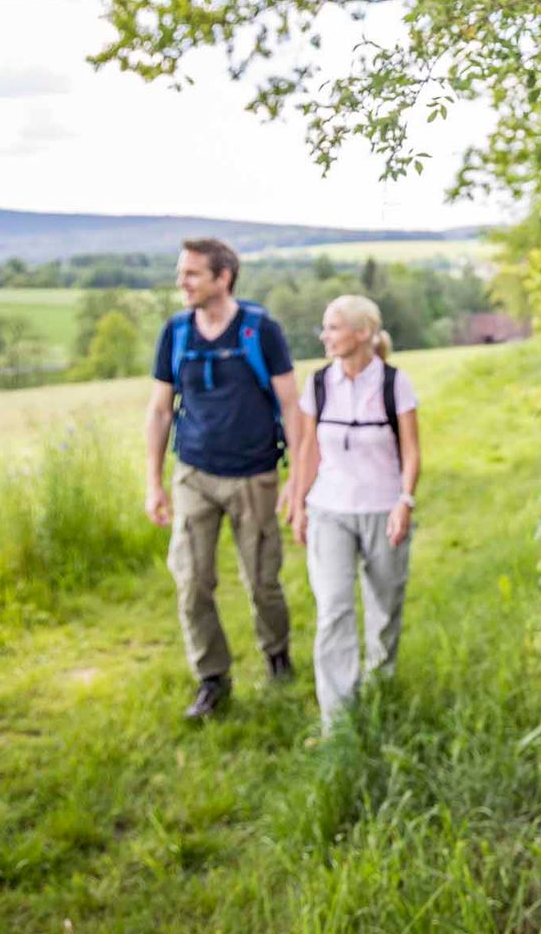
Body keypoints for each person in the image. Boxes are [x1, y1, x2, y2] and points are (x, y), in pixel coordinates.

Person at [145, 238, 303, 720]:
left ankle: (277, 657)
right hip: (193, 473)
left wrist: (296, 479)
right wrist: (154, 480)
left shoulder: (260, 331)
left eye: (192, 273)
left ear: (223, 277)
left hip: (253, 475)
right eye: (181, 272)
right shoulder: (175, 333)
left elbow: (292, 405)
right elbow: (159, 409)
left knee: (262, 581)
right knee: (191, 581)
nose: (182, 282)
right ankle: (212, 680)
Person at [286, 293, 422, 728]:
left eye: (333, 327)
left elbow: (412, 450)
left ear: (362, 333)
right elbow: (307, 449)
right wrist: (299, 502)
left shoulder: (394, 383)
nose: (325, 336)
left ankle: (380, 689)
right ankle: (339, 720)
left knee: (384, 609)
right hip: (330, 510)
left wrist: (405, 501)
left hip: (383, 509)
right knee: (334, 609)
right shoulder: (319, 384)